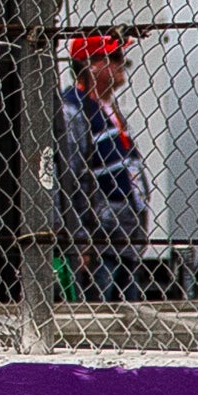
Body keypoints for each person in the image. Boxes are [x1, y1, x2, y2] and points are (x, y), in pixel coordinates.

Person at [56, 31, 150, 302]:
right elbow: (69, 180)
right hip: (100, 243)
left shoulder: (106, 108)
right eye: (113, 57)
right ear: (90, 65)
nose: (122, 63)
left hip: (124, 239)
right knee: (100, 312)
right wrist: (80, 239)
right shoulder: (74, 110)